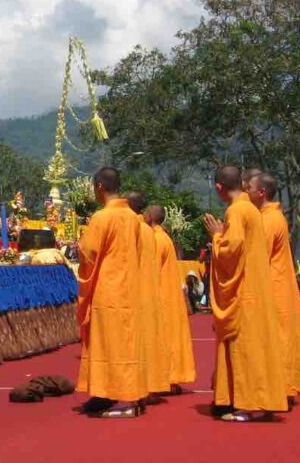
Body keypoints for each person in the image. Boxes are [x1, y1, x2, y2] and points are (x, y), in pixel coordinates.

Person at [203, 165, 288, 422]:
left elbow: (233, 250)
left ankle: (248, 404)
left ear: (219, 187)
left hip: (245, 292)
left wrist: (217, 238)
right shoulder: (251, 208)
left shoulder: (237, 211)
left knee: (245, 348)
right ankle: (251, 399)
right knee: (258, 346)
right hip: (257, 287)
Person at [77, 167, 146, 418]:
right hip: (129, 288)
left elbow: (88, 254)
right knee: (124, 344)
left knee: (111, 346)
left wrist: (80, 247)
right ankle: (115, 394)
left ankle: (123, 399)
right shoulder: (132, 217)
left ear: (99, 187)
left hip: (109, 289)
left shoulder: (102, 218)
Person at [247, 173, 300, 403]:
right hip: (278, 285)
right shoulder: (272, 217)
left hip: (273, 288)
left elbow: (257, 255)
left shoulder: (268, 220)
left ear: (262, 193)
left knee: (278, 339)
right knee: (282, 338)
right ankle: (284, 386)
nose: (245, 192)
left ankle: (281, 388)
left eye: (249, 188)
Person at [147, 205, 197, 394]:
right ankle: (171, 378)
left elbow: (150, 269)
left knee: (163, 337)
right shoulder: (163, 237)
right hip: (167, 293)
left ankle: (166, 378)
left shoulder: (157, 239)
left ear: (151, 216)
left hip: (161, 295)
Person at [127, 191, 170, 403]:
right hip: (150, 292)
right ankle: (152, 384)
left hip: (135, 293)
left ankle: (136, 387)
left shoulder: (133, 229)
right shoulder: (148, 232)